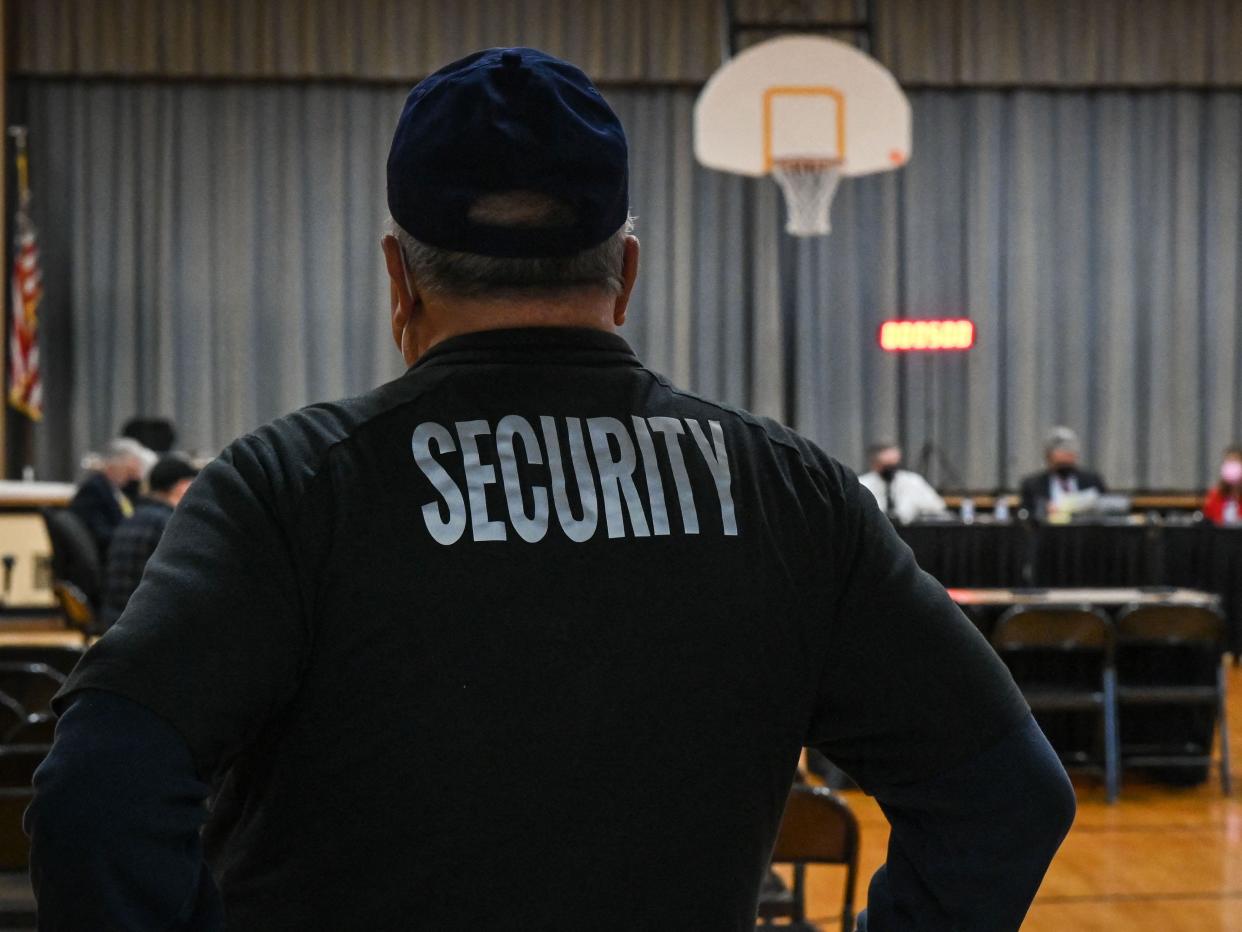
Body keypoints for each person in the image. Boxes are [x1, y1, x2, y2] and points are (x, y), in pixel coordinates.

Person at [28, 48, 1074, 931]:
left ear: (398, 279)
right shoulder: (794, 495)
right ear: (625, 272)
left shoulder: (289, 487)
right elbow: (1008, 794)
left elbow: (95, 797)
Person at [98, 456, 200, 631]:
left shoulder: (132, 517)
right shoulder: (170, 522)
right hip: (146, 623)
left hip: (114, 619)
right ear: (182, 487)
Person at [67, 437, 151, 558]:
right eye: (129, 470)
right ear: (115, 464)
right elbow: (100, 534)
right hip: (107, 557)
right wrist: (133, 538)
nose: (133, 477)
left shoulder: (116, 488)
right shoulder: (94, 490)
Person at [1019, 426, 1108, 517]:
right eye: (1060, 462)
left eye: (1069, 454)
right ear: (1048, 457)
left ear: (1075, 456)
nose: (1065, 457)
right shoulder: (1032, 485)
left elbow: (1105, 511)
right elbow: (1025, 515)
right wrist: (1044, 510)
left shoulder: (1092, 481)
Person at [858, 441, 947, 524]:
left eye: (894, 465)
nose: (891, 470)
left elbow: (937, 506)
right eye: (886, 466)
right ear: (875, 464)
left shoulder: (913, 481)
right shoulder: (862, 483)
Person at [1203, 446, 1242, 526]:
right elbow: (1208, 520)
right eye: (1229, 462)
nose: (1232, 467)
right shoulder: (1215, 495)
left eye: (1235, 462)